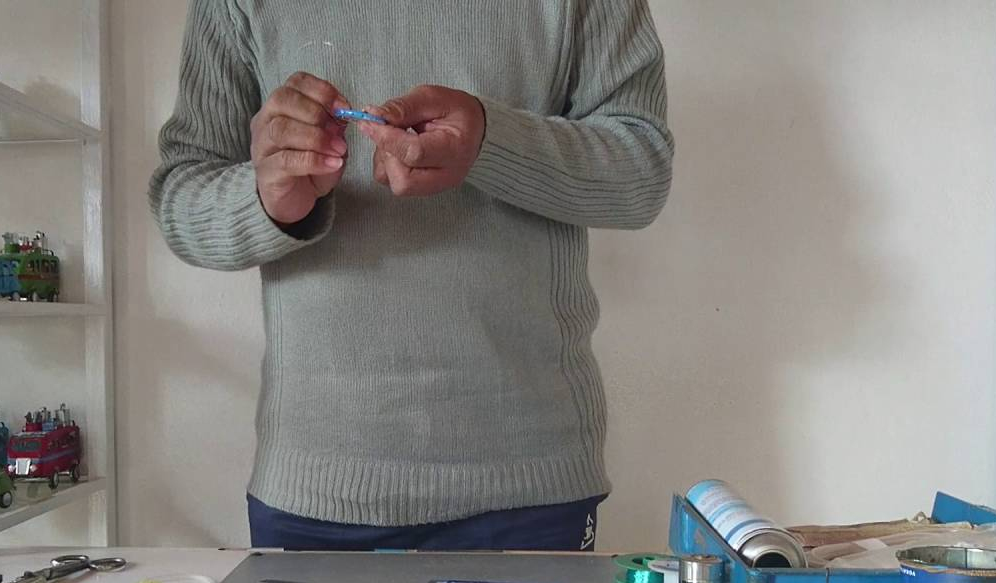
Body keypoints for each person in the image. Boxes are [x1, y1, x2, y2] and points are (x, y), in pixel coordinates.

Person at [150, 0, 674, 551]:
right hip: (315, 486)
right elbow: (181, 200)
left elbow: (642, 174)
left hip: (530, 483)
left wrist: (490, 141)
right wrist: (268, 198)